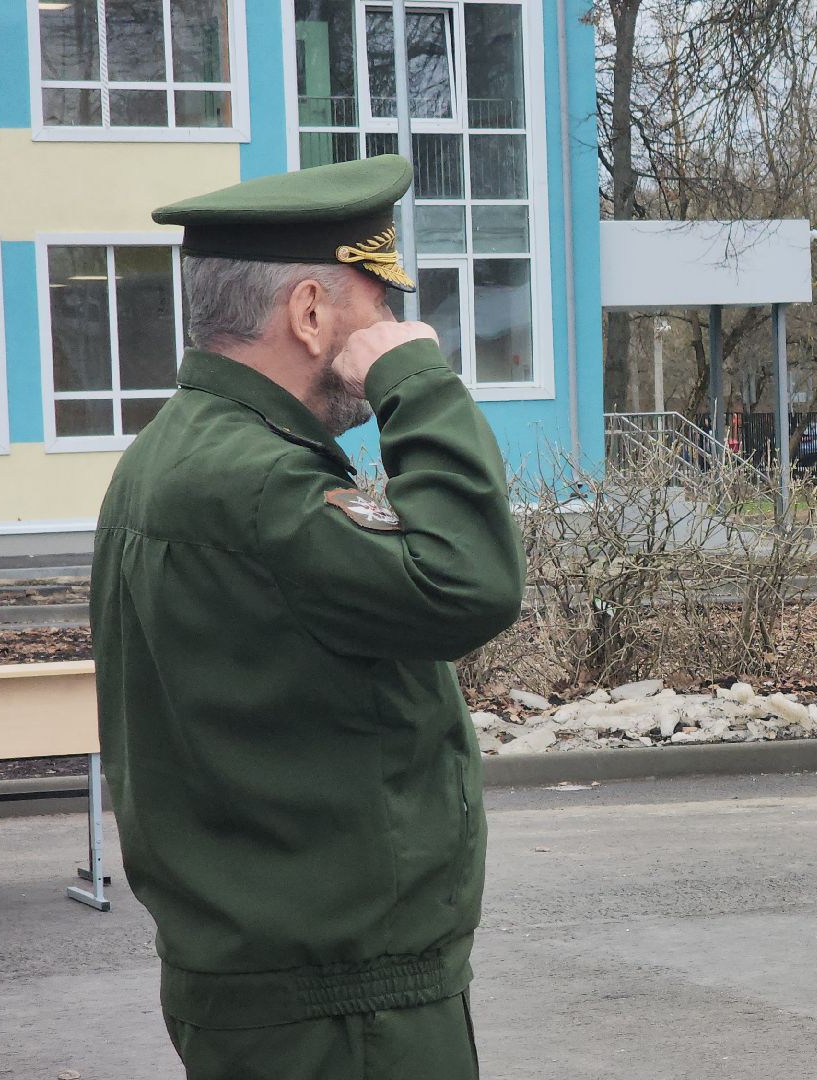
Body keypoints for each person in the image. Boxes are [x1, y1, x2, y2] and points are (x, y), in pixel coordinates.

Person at [91, 155, 525, 1080]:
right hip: (341, 1008)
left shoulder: (174, 452)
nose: (399, 328)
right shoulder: (259, 483)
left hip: (271, 982)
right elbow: (472, 584)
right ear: (313, 312)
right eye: (381, 307)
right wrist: (419, 383)